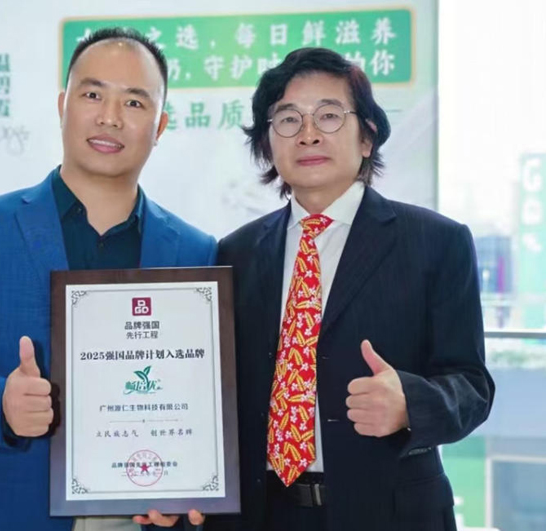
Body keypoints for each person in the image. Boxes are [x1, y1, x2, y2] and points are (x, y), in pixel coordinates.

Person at [0, 28, 213, 531]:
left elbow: (202, 398)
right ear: (63, 104)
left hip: (141, 514)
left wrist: (191, 483)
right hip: (8, 511)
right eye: (92, 95)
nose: (110, 117)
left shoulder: (195, 251)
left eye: (134, 102)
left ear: (160, 125)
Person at [208, 47, 494, 531]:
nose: (309, 133)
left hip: (390, 513)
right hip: (263, 514)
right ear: (267, 145)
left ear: (367, 136)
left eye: (329, 115)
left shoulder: (436, 241)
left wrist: (411, 403)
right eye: (288, 120)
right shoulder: (235, 253)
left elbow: (472, 386)